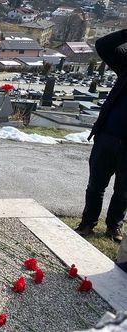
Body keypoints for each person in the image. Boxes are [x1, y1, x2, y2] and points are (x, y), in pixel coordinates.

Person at [75, 29, 127, 243]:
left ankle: (114, 227)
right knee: (96, 185)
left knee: (123, 191)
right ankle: (88, 223)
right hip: (108, 136)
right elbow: (103, 46)